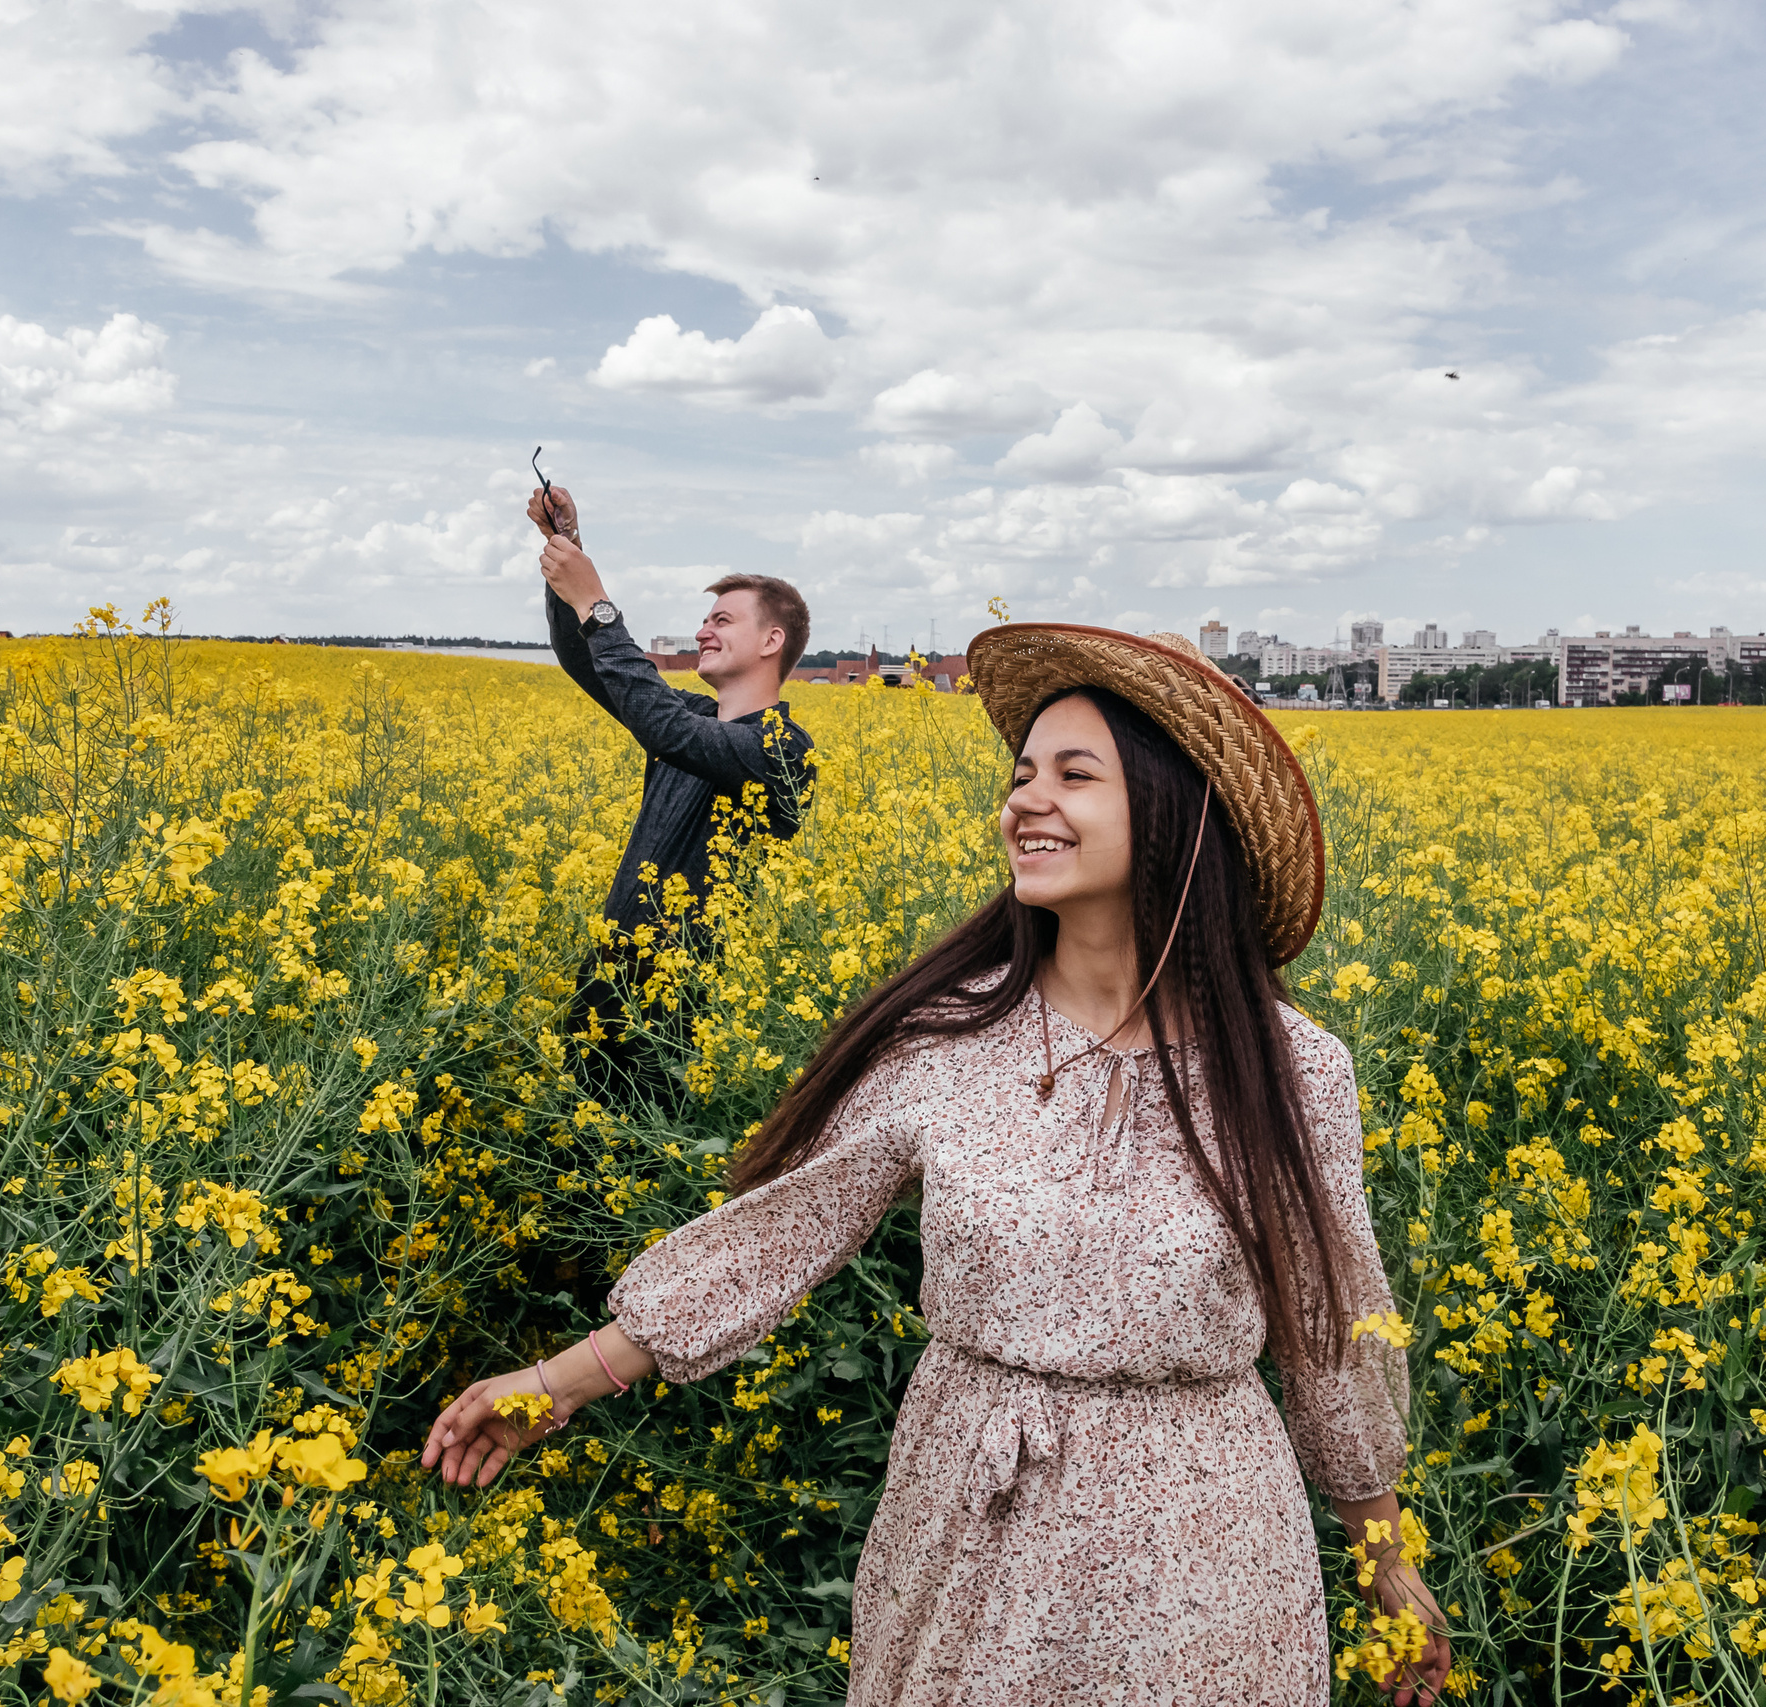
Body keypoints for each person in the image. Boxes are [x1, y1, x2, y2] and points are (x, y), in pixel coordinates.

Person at [424, 623, 1449, 1706]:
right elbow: (782, 1231)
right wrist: (555, 1386)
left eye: (1073, 775)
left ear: (1174, 816)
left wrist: (1386, 1562)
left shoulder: (1294, 1069)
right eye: (1019, 777)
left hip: (1202, 1533)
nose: (1025, 802)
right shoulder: (947, 1040)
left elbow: (1332, 1325)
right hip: (971, 1514)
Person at [525, 482, 815, 1099]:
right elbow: (590, 665)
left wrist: (600, 604)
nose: (704, 631)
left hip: (674, 1008)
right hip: (609, 980)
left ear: (772, 641)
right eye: (705, 619)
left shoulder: (783, 751)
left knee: (637, 1163)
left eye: (722, 620)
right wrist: (566, 550)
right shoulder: (694, 721)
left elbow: (663, 725)